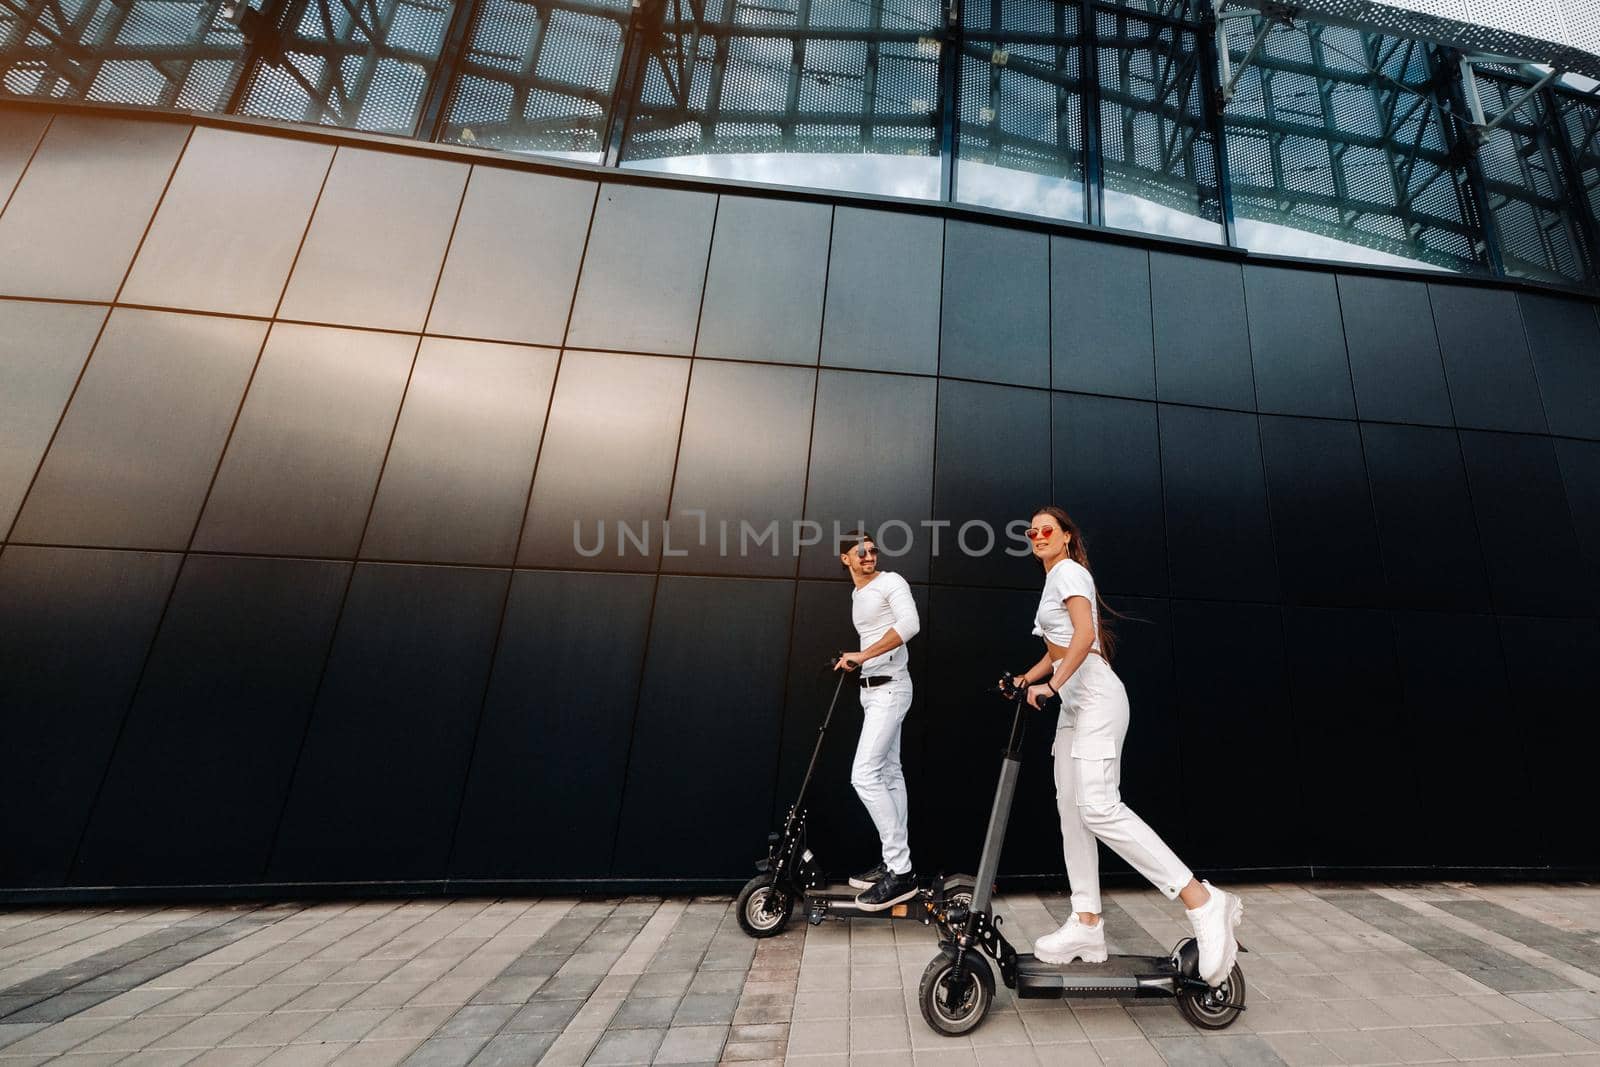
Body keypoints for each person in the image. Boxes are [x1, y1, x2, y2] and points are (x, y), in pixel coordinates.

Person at [1011, 506, 1243, 987]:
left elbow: (1085, 637)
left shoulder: (1069, 571)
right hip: (1076, 707)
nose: (1037, 536)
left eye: (1046, 529)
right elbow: (1058, 648)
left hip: (1095, 700)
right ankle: (1087, 925)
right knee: (1071, 810)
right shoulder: (1055, 578)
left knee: (1096, 807)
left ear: (1068, 537)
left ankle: (1201, 898)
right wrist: (1026, 678)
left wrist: (1050, 688)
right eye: (1031, 531)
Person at [834, 530, 921, 911]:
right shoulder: (857, 594)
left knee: (864, 775)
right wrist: (856, 660)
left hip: (891, 689)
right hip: (871, 691)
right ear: (846, 559)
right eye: (861, 552)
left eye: (873, 550)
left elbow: (909, 626)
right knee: (889, 773)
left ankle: (901, 870)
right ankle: (893, 862)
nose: (870, 556)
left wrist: (863, 653)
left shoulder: (891, 582)